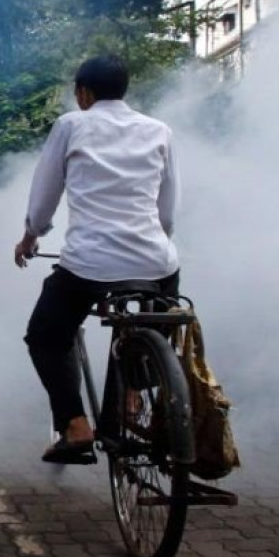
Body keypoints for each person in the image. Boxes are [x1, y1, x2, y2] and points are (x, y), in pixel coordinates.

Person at [14, 55, 181, 464]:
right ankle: (131, 397)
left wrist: (30, 236)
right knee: (156, 320)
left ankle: (75, 426)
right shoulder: (159, 130)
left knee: (45, 336)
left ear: (84, 93)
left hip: (89, 265)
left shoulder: (71, 125)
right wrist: (150, 241)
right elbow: (167, 213)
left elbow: (44, 198)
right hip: (155, 262)